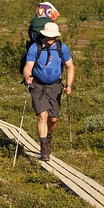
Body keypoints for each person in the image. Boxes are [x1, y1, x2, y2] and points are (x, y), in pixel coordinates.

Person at [22, 22, 74, 161]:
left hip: (55, 86)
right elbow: (28, 66)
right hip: (37, 86)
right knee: (42, 116)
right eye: (48, 37)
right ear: (43, 35)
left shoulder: (62, 48)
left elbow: (70, 66)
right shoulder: (35, 47)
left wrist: (69, 84)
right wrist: (27, 76)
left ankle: (49, 138)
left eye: (53, 37)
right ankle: (44, 147)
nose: (50, 39)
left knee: (53, 118)